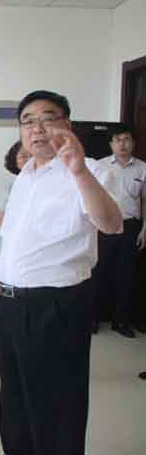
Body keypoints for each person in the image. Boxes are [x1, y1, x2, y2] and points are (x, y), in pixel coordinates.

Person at [0, 90, 121, 455]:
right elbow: (13, 245)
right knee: (15, 401)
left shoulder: (93, 170)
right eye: (27, 121)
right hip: (12, 303)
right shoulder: (25, 176)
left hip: (57, 305)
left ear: (67, 125)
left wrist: (78, 171)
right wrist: (0, 293)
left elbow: (111, 224)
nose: (37, 128)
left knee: (57, 407)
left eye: (48, 118)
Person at [91, 125, 146, 337]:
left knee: (126, 276)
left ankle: (120, 321)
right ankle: (92, 319)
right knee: (97, 273)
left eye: (126, 139)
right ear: (111, 144)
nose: (122, 144)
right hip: (103, 226)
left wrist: (144, 230)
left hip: (131, 227)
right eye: (117, 139)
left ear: (133, 143)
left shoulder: (142, 168)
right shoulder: (99, 166)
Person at [0, 141, 31, 229]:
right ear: (15, 161)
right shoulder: (10, 186)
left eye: (32, 156)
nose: (29, 160)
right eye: (23, 156)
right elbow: (1, 221)